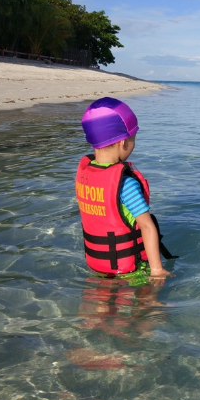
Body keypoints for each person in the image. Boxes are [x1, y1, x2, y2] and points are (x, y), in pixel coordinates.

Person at [75, 96, 176, 281]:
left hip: (98, 265)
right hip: (131, 270)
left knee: (100, 305)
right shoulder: (125, 184)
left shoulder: (86, 175)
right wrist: (156, 270)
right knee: (147, 305)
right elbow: (147, 226)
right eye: (133, 138)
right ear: (123, 142)